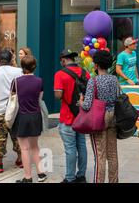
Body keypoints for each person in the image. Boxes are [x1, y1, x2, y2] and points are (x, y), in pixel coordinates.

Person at [80, 50, 119, 183]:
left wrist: (80, 101)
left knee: (100, 156)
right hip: (113, 116)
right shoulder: (114, 79)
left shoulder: (93, 81)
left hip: (99, 119)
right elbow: (118, 97)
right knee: (112, 155)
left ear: (96, 65)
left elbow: (86, 105)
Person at [54, 49, 90, 183]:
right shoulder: (86, 73)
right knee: (82, 146)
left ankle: (70, 178)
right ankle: (81, 176)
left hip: (67, 117)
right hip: (82, 117)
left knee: (70, 149)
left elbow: (58, 95)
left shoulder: (59, 74)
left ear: (63, 60)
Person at [11, 56, 47, 183]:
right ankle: (41, 173)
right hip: (36, 115)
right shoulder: (39, 81)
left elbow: (13, 100)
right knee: (35, 146)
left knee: (24, 148)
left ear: (22, 66)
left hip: (22, 116)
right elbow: (39, 99)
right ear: (34, 66)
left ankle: (28, 177)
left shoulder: (16, 81)